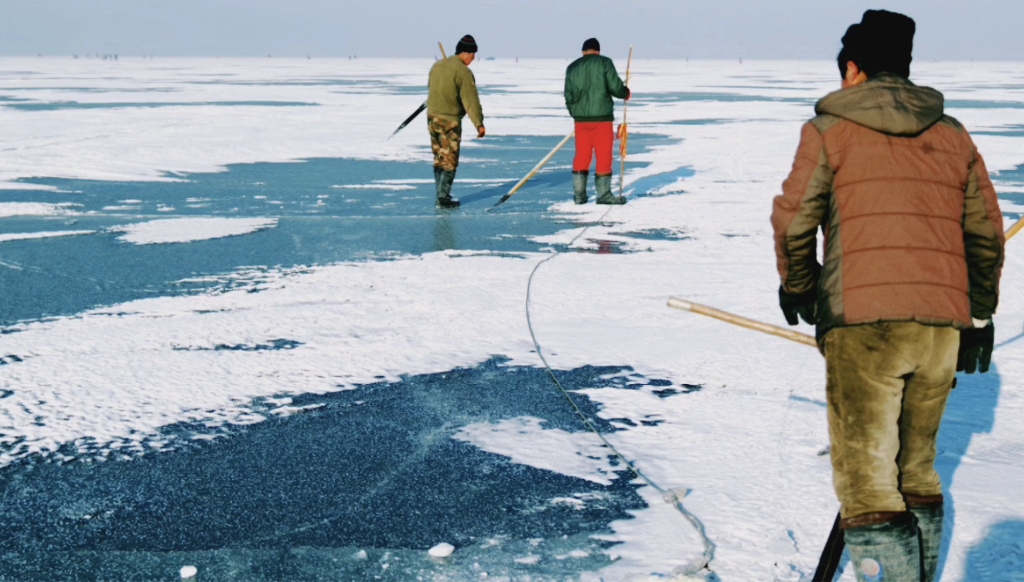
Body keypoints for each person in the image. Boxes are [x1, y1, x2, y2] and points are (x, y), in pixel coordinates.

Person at [771, 10, 1004, 581]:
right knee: (917, 473)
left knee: (870, 486)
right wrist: (978, 314)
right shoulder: (951, 134)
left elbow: (794, 222)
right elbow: (985, 232)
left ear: (853, 69)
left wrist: (800, 288)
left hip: (865, 327)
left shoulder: (827, 130)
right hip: (939, 331)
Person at [564, 38, 630, 205]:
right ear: (598, 51)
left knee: (582, 155)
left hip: (581, 121)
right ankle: (603, 195)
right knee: (603, 155)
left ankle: (579, 196)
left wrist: (575, 113)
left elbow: (568, 95)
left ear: (583, 51)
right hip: (602, 118)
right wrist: (625, 92)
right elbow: (615, 87)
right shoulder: (605, 63)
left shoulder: (572, 67)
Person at [426, 34, 486, 209]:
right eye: (473, 56)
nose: (473, 60)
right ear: (466, 53)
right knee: (449, 160)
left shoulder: (437, 66)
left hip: (432, 118)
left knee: (438, 157)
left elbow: (431, 87)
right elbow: (471, 100)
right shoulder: (463, 72)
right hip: (449, 120)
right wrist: (479, 124)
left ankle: (441, 194)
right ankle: (443, 199)